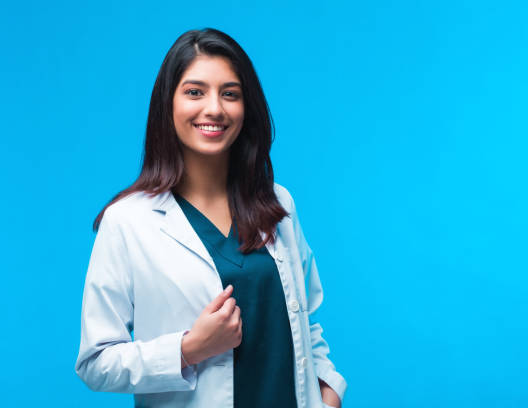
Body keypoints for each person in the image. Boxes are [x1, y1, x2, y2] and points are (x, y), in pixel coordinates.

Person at [74, 28, 346, 408]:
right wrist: (188, 349)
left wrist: (327, 390)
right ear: (167, 104)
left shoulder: (277, 203)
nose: (214, 108)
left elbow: (306, 318)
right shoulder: (127, 222)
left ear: (246, 107)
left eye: (230, 93)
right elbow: (95, 362)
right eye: (195, 92)